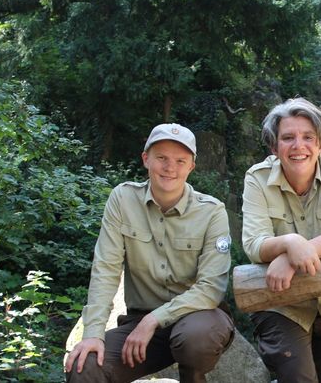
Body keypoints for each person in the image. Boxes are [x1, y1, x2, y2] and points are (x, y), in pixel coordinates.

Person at [65, 123, 234, 383]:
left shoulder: (212, 212)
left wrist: (155, 319)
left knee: (195, 340)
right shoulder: (122, 199)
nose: (170, 168)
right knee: (84, 367)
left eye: (180, 160)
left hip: (197, 319)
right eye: (162, 158)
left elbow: (211, 288)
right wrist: (93, 334)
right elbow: (106, 269)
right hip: (139, 322)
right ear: (146, 159)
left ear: (191, 166)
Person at [241, 98, 321, 382]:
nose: (299, 146)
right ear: (274, 148)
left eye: (308, 137)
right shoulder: (257, 179)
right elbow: (253, 244)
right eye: (288, 138)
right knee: (300, 378)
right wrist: (290, 242)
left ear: (320, 144)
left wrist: (293, 251)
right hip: (282, 302)